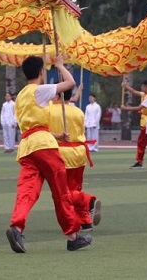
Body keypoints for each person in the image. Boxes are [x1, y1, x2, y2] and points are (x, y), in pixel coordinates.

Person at [5, 54, 92, 253]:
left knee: (27, 191)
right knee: (61, 191)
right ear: (41, 72)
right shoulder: (40, 90)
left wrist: (58, 136)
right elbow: (70, 83)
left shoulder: (20, 96)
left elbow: (32, 127)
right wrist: (60, 65)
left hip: (27, 147)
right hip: (44, 146)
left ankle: (17, 227)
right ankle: (72, 236)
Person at [50, 89, 101, 231]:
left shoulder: (50, 110)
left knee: (62, 193)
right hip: (79, 153)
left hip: (61, 154)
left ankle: (89, 201)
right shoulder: (78, 111)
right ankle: (85, 221)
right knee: (75, 189)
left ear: (58, 96)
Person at [121, 79, 147, 168]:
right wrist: (126, 86)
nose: (141, 88)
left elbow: (138, 108)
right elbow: (134, 92)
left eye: (143, 86)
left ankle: (139, 162)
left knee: (141, 142)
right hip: (146, 121)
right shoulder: (145, 94)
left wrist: (125, 108)